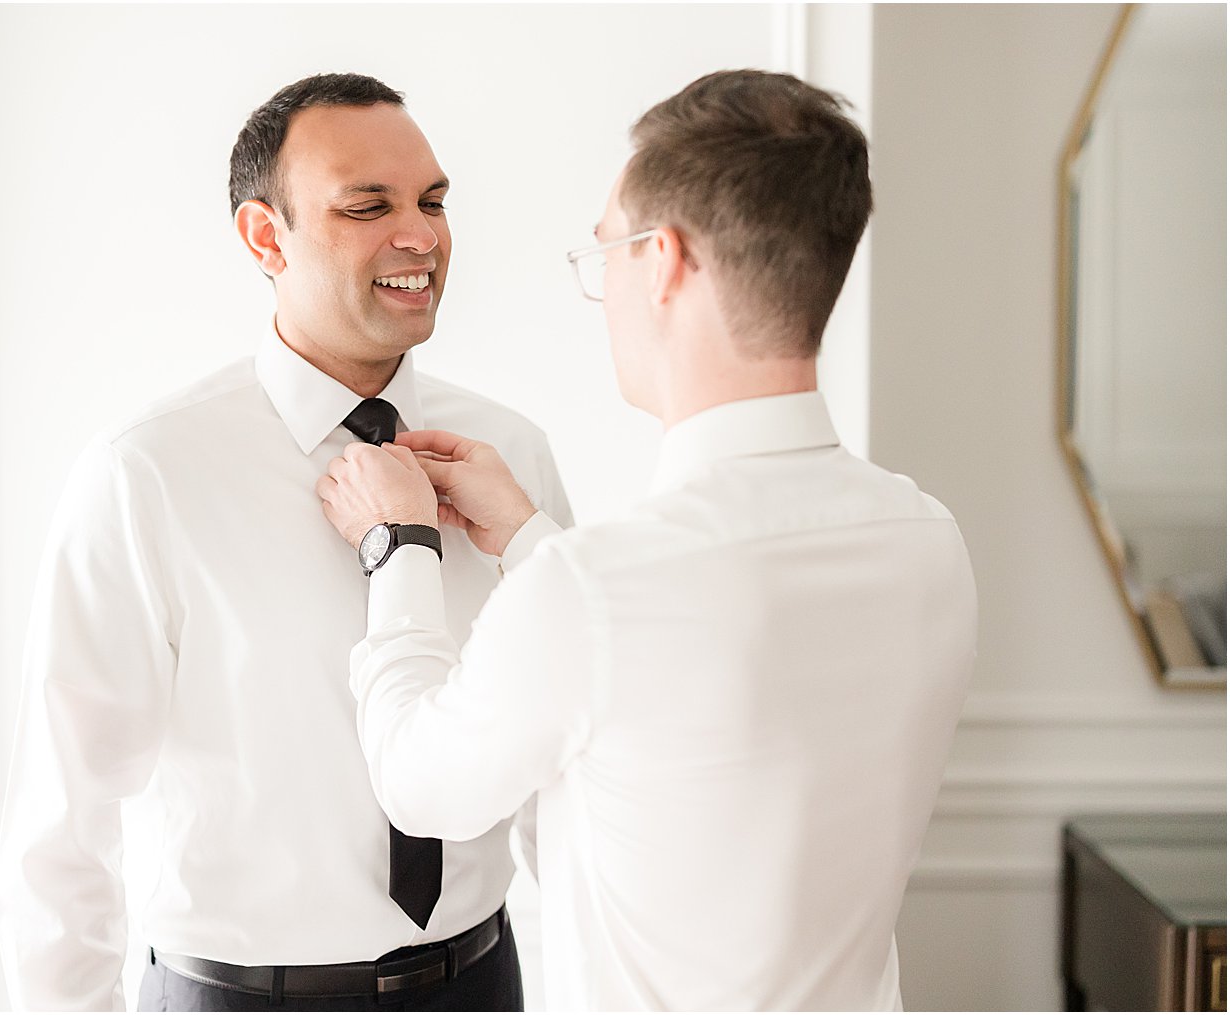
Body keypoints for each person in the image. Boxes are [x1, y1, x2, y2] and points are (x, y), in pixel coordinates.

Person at [316, 69, 978, 1011]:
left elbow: (424, 787)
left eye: (607, 253)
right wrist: (529, 538)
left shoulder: (600, 589)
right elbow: (669, 731)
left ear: (662, 259)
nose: (605, 288)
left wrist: (400, 549)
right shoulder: (927, 541)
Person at [0, 72, 571, 1012]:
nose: (420, 236)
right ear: (266, 236)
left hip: (480, 982)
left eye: (432, 200)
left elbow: (564, 765)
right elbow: (61, 825)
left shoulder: (512, 462)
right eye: (367, 206)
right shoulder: (148, 476)